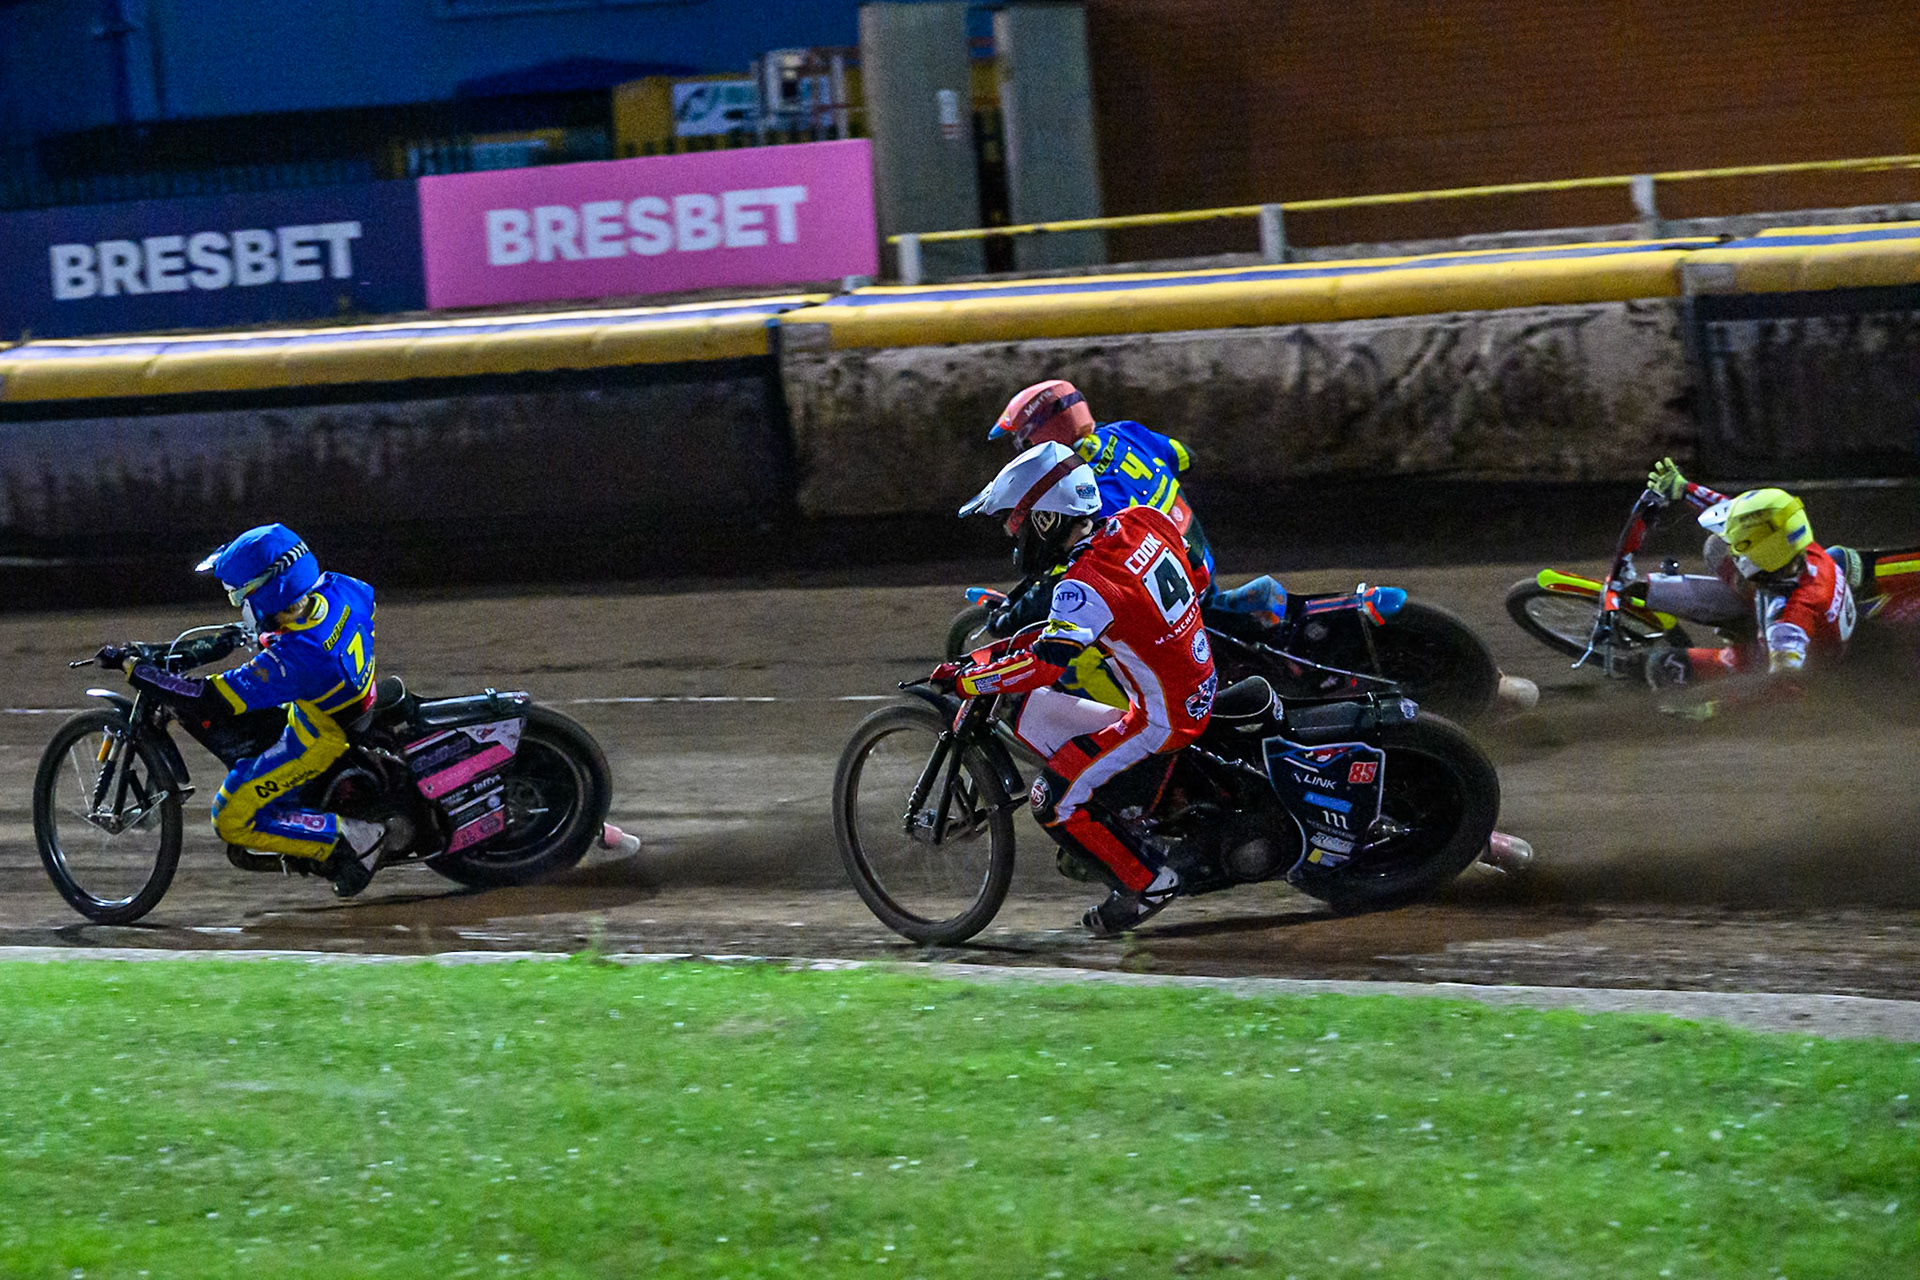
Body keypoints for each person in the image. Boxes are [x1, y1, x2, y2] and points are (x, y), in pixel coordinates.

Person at [937, 441, 1217, 936]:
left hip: (1161, 718)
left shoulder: (1081, 584)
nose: (1014, 534)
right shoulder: (1141, 520)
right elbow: (1196, 576)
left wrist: (968, 679)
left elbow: (1045, 667)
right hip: (1201, 677)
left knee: (1051, 798)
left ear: (1045, 521)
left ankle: (1147, 882)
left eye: (1016, 522)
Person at [116, 524, 390, 896]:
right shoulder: (341, 589)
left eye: (238, 597)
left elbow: (207, 698)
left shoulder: (293, 658)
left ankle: (352, 840)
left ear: (267, 593)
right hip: (352, 699)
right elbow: (347, 612)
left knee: (229, 817)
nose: (236, 606)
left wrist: (140, 673)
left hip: (319, 736)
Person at [1643, 458, 1855, 710]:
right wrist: (1684, 488)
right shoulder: (1796, 545)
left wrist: (1714, 709)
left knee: (1664, 665)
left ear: (1763, 551)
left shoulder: (1788, 620)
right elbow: (1736, 514)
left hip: (1778, 662)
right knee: (1716, 549)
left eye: (1739, 547)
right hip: (1811, 633)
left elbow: (1783, 687)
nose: (1734, 552)